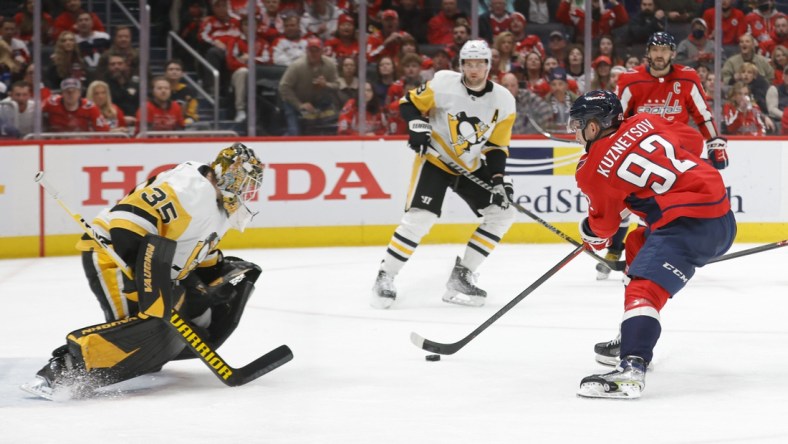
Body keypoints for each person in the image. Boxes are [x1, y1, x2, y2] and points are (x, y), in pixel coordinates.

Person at [22, 143, 265, 400]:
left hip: (150, 262)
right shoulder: (190, 190)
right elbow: (127, 223)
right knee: (141, 335)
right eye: (244, 183)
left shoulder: (215, 204)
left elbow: (197, 248)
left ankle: (125, 356)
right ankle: (62, 371)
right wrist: (145, 280)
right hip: (112, 254)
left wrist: (214, 277)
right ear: (230, 174)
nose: (246, 192)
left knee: (159, 337)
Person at [569, 90, 736, 399]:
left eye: (578, 124)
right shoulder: (647, 120)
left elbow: (603, 228)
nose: (575, 132)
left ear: (593, 127)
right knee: (636, 243)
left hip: (686, 224)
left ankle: (632, 368)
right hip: (722, 216)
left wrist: (588, 231)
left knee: (642, 288)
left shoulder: (590, 169)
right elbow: (685, 146)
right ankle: (630, 333)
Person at [370, 40, 517, 309]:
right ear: (461, 65)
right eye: (468, 64)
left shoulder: (504, 100)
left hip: (469, 165)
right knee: (420, 218)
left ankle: (462, 276)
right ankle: (385, 276)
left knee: (503, 213)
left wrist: (498, 180)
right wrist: (417, 127)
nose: (473, 70)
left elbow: (497, 146)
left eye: (479, 64)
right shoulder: (443, 84)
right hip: (436, 161)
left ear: (488, 66)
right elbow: (408, 103)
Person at [599, 31, 725, 281]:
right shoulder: (630, 79)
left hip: (676, 153)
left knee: (664, 207)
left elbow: (703, 113)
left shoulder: (687, 77)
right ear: (648, 53)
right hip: (643, 151)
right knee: (625, 199)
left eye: (665, 49)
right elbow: (616, 118)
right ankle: (614, 247)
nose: (659, 54)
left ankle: (653, 250)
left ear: (673, 53)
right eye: (655, 49)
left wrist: (715, 143)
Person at [277, 37, 339, 135]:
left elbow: (337, 85)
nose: (313, 54)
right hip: (295, 102)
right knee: (294, 132)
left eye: (316, 50)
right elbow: (283, 87)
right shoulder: (297, 66)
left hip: (319, 103)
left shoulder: (330, 64)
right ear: (306, 51)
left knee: (332, 128)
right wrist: (299, 104)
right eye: (310, 50)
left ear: (322, 51)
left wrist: (326, 84)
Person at [42, 77, 110, 133]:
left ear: (79, 93)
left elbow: (103, 130)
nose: (70, 94)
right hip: (55, 142)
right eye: (67, 91)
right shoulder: (51, 102)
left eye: (73, 91)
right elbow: (35, 112)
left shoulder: (90, 107)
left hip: (81, 143)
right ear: (62, 93)